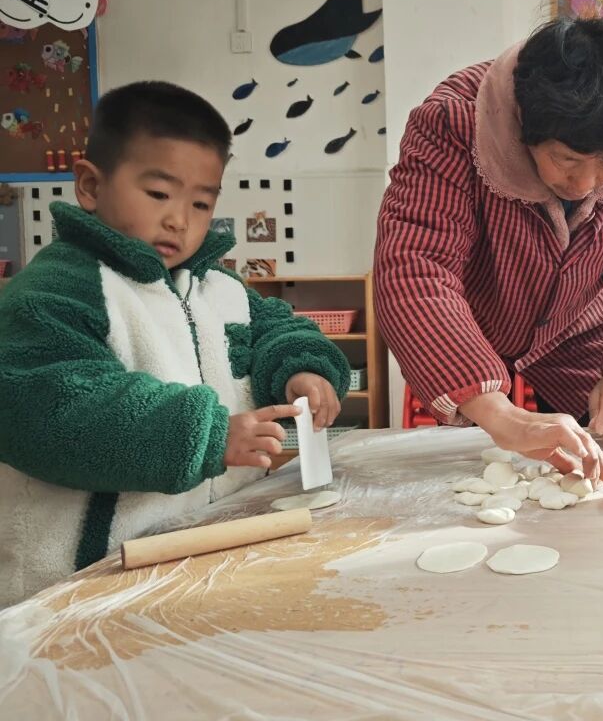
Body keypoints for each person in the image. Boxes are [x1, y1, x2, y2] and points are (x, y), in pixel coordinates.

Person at [0, 81, 348, 607]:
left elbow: (277, 330)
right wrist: (203, 436)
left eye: (201, 203)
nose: (179, 220)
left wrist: (304, 368)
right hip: (81, 587)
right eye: (159, 194)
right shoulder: (57, 291)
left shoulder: (218, 287)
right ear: (90, 186)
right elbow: (46, 408)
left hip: (195, 563)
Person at [375, 12, 603, 481]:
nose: (585, 185)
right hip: (470, 327)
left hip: (583, 325)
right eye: (565, 160)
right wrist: (497, 412)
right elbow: (416, 267)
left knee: (594, 470)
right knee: (481, 477)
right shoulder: (455, 120)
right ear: (525, 128)